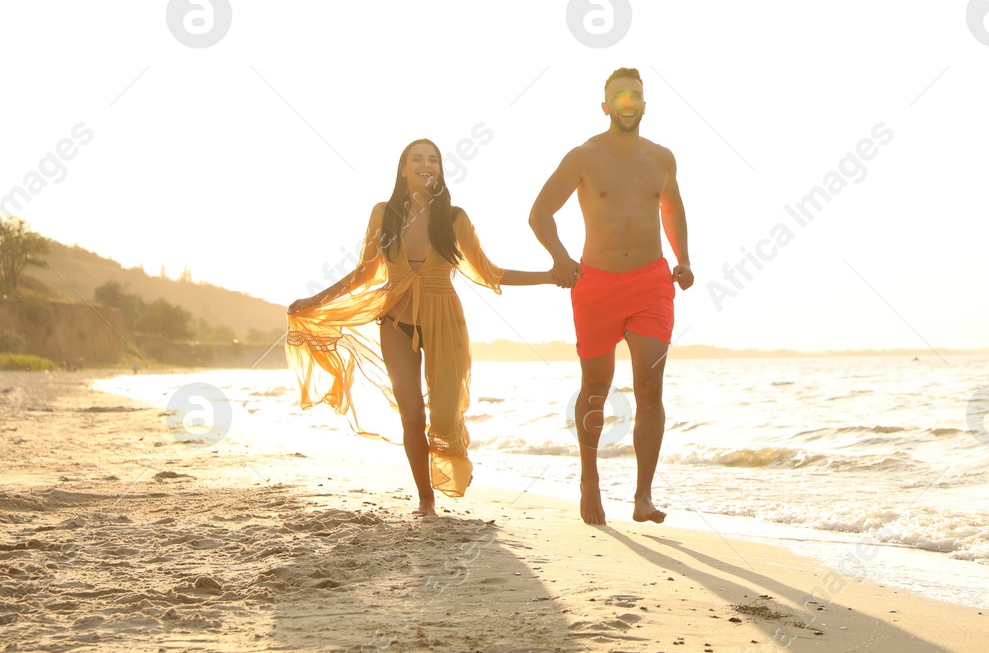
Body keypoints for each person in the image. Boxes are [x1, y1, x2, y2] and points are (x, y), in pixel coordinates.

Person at [287, 138, 561, 516]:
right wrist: (315, 300)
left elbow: (491, 273)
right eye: (417, 159)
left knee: (445, 418)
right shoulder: (383, 214)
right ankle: (426, 499)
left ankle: (449, 464)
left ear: (440, 170)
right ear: (403, 169)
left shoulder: (454, 218)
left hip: (445, 320)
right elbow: (363, 272)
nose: (425, 164)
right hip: (395, 321)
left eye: (433, 159)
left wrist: (549, 276)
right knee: (412, 414)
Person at [530, 67, 693, 526]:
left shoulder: (662, 158)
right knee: (596, 389)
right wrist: (561, 260)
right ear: (606, 106)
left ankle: (643, 495)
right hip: (595, 283)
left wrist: (684, 258)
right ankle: (589, 479)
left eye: (635, 95)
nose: (628, 102)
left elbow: (673, 207)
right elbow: (540, 213)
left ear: (645, 105)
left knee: (650, 387)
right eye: (619, 95)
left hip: (651, 283)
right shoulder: (583, 156)